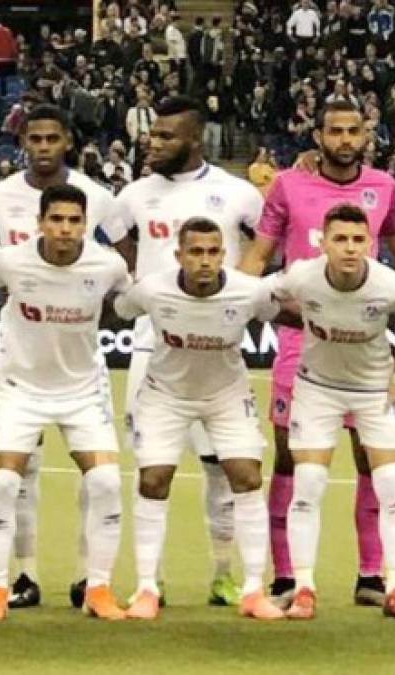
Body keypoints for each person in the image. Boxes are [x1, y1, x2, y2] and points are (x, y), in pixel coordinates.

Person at [238, 100, 395, 607]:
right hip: (301, 349)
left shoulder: (384, 188)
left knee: (372, 463)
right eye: (336, 131)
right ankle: (288, 578)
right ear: (319, 135)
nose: (345, 140)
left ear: (366, 136)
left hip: (365, 349)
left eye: (354, 131)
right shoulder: (288, 183)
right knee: (290, 460)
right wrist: (227, 304)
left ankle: (372, 576)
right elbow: (260, 255)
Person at [103, 95, 266, 607]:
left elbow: (263, 247)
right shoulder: (133, 196)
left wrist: (239, 292)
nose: (154, 143)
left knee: (223, 469)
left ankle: (223, 573)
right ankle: (152, 580)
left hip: (217, 347)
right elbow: (118, 250)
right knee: (152, 469)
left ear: (193, 140)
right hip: (152, 347)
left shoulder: (237, 193)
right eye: (152, 133)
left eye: (166, 136)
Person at [0, 104, 116, 610]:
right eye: (36, 137)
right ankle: (9, 581)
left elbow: (129, 289)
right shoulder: (2, 227)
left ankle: (90, 583)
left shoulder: (106, 246)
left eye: (75, 221)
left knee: (104, 481)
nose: (66, 227)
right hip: (20, 383)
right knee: (11, 479)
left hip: (83, 387)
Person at [113, 218, 283, 621]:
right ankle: (147, 588)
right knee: (153, 479)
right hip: (165, 396)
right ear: (179, 256)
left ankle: (254, 589)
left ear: (224, 255)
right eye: (195, 252)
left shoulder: (249, 291)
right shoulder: (154, 289)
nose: (204, 261)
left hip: (226, 395)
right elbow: (120, 309)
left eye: (212, 252)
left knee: (246, 477)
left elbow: (285, 314)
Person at [266, 204, 395, 621]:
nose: (350, 249)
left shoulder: (390, 285)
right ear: (324, 241)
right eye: (340, 239)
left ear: (370, 243)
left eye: (358, 240)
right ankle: (303, 589)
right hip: (317, 390)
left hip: (375, 391)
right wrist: (306, 321)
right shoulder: (302, 276)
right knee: (310, 483)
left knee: (391, 485)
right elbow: (265, 299)